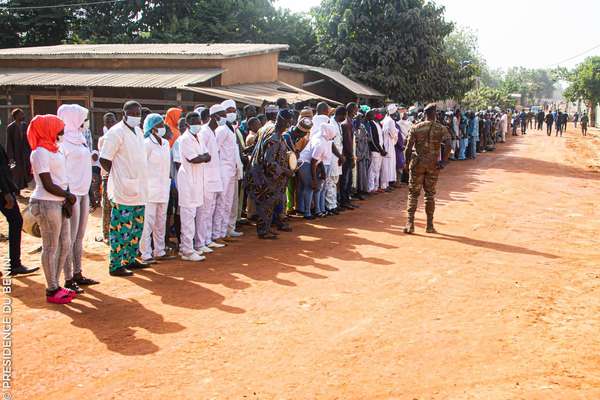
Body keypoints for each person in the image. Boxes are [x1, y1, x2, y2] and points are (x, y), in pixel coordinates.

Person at [27, 114, 77, 303]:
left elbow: (62, 178)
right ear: (49, 130)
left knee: (65, 243)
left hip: (60, 202)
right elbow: (47, 183)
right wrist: (67, 196)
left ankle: (57, 283)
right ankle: (51, 288)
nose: (62, 133)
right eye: (59, 130)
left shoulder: (55, 150)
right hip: (46, 203)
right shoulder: (39, 152)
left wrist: (66, 198)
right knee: (50, 246)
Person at [99, 101, 149, 277]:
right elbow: (104, 159)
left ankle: (130, 258)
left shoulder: (139, 131)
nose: (137, 116)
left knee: (136, 227)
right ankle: (115, 264)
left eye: (139, 113)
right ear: (124, 114)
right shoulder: (116, 133)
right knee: (121, 229)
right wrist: (118, 175)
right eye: (133, 113)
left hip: (139, 188)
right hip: (123, 188)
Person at [57, 104, 99, 290]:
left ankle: (78, 272)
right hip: (71, 194)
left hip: (83, 191)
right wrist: (66, 195)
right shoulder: (62, 141)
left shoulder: (80, 138)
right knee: (69, 238)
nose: (85, 122)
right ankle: (67, 279)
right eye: (82, 118)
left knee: (80, 236)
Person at [403, 103, 451, 234]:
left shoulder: (416, 127)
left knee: (413, 194)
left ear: (425, 113)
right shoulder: (441, 128)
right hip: (433, 165)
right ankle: (429, 225)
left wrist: (407, 163)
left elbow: (408, 148)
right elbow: (448, 144)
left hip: (417, 163)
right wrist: (443, 161)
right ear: (435, 113)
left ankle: (410, 224)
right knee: (430, 195)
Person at [246, 109, 293, 238]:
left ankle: (266, 227)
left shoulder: (269, 129)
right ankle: (262, 231)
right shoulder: (274, 137)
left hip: (262, 174)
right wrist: (285, 170)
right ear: (284, 122)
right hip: (263, 176)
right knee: (265, 204)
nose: (290, 124)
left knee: (269, 203)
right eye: (289, 122)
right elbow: (269, 162)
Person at [138, 113, 176, 264]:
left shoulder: (166, 143)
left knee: (161, 221)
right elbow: (141, 167)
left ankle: (159, 250)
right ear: (153, 128)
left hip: (163, 187)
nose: (163, 127)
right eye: (160, 125)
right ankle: (145, 253)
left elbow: (167, 166)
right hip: (149, 189)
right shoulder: (146, 144)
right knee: (147, 223)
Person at [0, 140, 39, 276]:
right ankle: (15, 264)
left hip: (4, 189)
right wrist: (6, 192)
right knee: (16, 221)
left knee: (16, 221)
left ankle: (15, 263)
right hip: (3, 192)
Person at [177, 111, 211, 262]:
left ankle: (193, 246)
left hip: (197, 180)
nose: (198, 125)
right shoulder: (184, 139)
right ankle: (186, 250)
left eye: (199, 122)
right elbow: (195, 159)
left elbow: (206, 156)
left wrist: (203, 157)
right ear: (188, 124)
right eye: (195, 122)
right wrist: (203, 157)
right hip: (188, 181)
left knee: (195, 214)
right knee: (188, 217)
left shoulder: (199, 137)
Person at [196, 105, 226, 253]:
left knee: (211, 209)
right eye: (223, 115)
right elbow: (203, 155)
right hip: (206, 178)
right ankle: (200, 242)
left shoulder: (212, 133)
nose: (225, 118)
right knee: (204, 212)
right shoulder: (204, 132)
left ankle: (208, 239)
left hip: (214, 176)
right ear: (215, 116)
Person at [215, 99, 243, 242]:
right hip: (223, 169)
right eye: (229, 111)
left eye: (233, 111)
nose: (232, 114)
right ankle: (217, 233)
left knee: (228, 202)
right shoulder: (221, 130)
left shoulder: (231, 128)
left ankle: (226, 230)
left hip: (232, 169)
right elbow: (215, 150)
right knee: (221, 202)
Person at [297, 122, 334, 220]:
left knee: (311, 187)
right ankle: (307, 212)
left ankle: (309, 210)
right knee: (309, 186)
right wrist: (314, 179)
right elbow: (313, 161)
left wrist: (323, 171)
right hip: (305, 163)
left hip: (311, 163)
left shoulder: (324, 140)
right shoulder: (320, 143)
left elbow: (319, 159)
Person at [5, 108, 32, 195]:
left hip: (25, 153)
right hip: (16, 154)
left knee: (26, 171)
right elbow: (9, 142)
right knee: (16, 173)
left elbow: (29, 139)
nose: (23, 116)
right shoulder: (11, 127)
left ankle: (22, 188)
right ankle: (17, 191)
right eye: (21, 114)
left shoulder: (25, 126)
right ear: (16, 116)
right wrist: (11, 157)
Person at [325, 106, 346, 213]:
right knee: (331, 181)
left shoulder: (338, 124)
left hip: (338, 156)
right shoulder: (331, 124)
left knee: (335, 180)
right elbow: (331, 143)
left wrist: (341, 156)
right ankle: (330, 206)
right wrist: (339, 156)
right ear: (341, 115)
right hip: (333, 156)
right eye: (345, 115)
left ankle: (334, 203)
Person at [340, 103, 358, 208]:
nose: (357, 111)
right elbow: (347, 142)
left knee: (349, 179)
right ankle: (344, 202)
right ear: (351, 110)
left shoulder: (350, 122)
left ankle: (347, 200)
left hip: (350, 155)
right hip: (347, 156)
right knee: (345, 180)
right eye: (356, 109)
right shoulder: (346, 123)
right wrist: (351, 157)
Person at [366, 109, 385, 193]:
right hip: (375, 150)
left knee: (377, 169)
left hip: (380, 149)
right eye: (375, 113)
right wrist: (379, 149)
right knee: (373, 169)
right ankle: (371, 187)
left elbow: (381, 138)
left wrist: (383, 148)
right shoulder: (372, 124)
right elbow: (373, 139)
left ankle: (376, 187)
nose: (376, 115)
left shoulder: (378, 124)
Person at [381, 104, 399, 191]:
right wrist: (396, 132)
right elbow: (393, 133)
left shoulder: (385, 119)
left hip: (385, 143)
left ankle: (386, 184)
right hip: (389, 144)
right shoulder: (391, 121)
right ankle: (385, 184)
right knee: (388, 165)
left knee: (386, 164)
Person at [354, 108, 371, 198]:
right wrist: (358, 154)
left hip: (364, 153)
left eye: (360, 118)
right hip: (356, 154)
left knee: (363, 173)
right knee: (356, 175)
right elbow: (354, 142)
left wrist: (364, 153)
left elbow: (368, 139)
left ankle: (362, 190)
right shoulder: (353, 128)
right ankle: (356, 192)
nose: (359, 119)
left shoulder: (363, 127)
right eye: (357, 118)